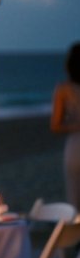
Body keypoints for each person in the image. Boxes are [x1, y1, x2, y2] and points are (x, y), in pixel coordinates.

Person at [50, 42, 80, 212]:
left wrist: (75, 125)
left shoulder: (64, 89)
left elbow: (55, 125)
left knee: (75, 199)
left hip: (75, 145)